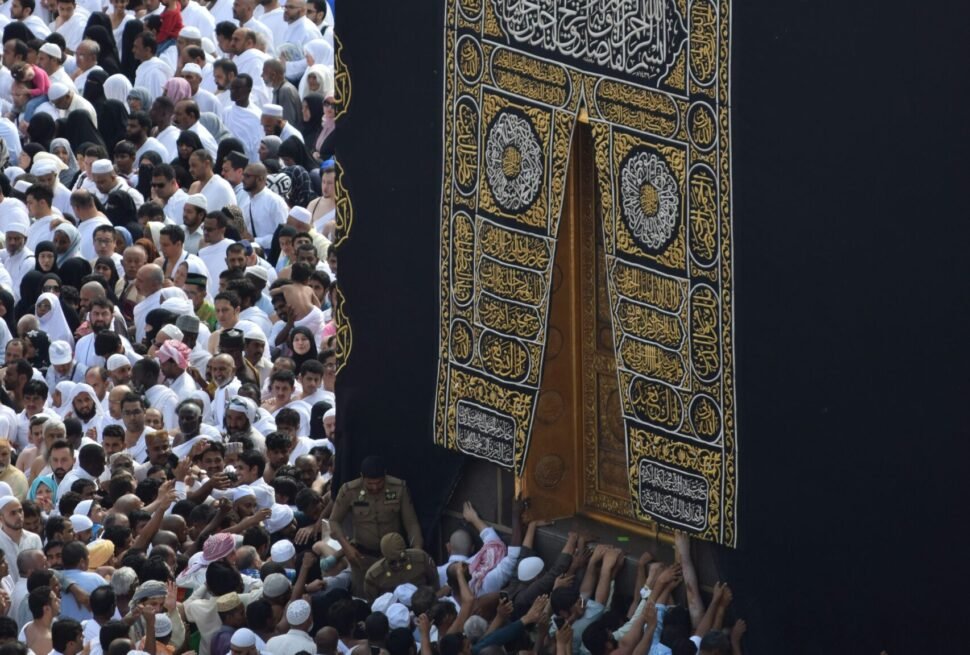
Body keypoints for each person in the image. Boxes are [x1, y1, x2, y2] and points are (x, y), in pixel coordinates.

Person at [328, 456, 422, 595]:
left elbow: (412, 523)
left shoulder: (399, 488)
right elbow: (334, 521)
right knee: (362, 597)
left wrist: (417, 550)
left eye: (379, 483)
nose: (375, 487)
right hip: (362, 558)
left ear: (385, 476)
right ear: (362, 477)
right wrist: (346, 547)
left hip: (392, 559)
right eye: (370, 483)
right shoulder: (349, 490)